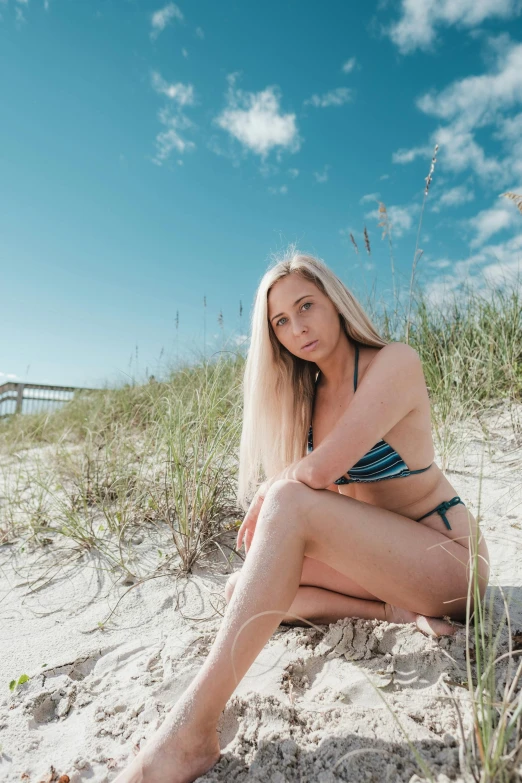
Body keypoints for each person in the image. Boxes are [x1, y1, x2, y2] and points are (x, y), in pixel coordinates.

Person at [113, 249, 490, 783]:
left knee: (287, 505)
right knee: (243, 587)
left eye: (307, 306)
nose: (298, 328)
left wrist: (274, 490)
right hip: (388, 569)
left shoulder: (394, 363)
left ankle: (190, 731)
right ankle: (398, 615)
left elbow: (318, 473)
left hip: (448, 561)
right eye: (281, 322)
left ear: (336, 302)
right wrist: (279, 496)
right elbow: (317, 500)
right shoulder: (308, 398)